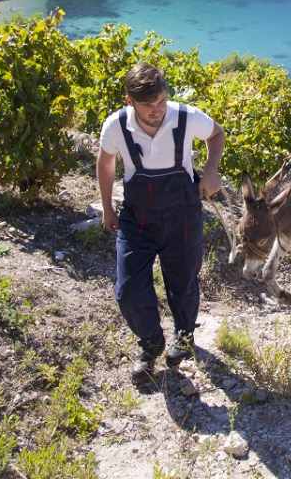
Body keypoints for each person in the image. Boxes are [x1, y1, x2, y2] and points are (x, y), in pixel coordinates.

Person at [96, 63, 225, 382]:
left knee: (183, 283)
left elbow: (216, 134)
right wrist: (107, 208)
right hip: (137, 218)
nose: (156, 110)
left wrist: (211, 170)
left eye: (161, 102)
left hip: (182, 214)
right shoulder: (116, 126)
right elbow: (106, 163)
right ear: (129, 101)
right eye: (147, 105)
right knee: (127, 290)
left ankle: (184, 337)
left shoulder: (185, 117)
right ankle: (151, 342)